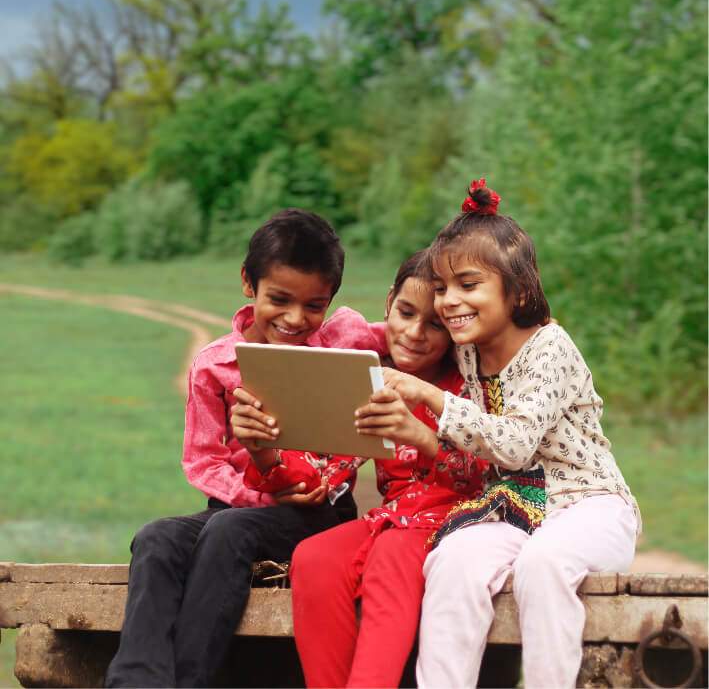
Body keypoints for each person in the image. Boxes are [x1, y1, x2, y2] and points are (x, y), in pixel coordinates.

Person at [371, 179, 641, 689]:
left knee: (544, 565)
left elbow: (514, 444)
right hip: (517, 507)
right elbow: (391, 330)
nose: (449, 302)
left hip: (589, 504)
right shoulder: (468, 347)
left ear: (517, 292)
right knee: (451, 561)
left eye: (468, 285)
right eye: (443, 287)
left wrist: (428, 396)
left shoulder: (549, 347)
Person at [105, 208, 387, 688]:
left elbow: (407, 333)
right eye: (279, 299)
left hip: (319, 512)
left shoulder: (343, 342)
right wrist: (261, 496)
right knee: (156, 537)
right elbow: (204, 461)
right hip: (237, 506)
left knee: (229, 531)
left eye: (314, 305)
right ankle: (136, 682)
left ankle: (195, 680)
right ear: (247, 283)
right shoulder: (216, 367)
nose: (296, 319)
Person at [272, 251, 489, 688]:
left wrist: (420, 435)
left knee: (390, 557)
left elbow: (484, 478)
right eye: (406, 312)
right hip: (392, 520)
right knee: (312, 557)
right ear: (389, 302)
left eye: (434, 324)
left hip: (460, 522)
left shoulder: (468, 383)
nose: (413, 333)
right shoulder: (369, 377)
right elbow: (323, 471)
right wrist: (265, 450)